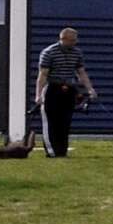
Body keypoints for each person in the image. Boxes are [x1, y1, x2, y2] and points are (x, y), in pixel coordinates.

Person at [36, 27, 96, 158]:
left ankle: (62, 151)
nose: (75, 42)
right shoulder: (49, 52)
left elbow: (81, 72)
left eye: (75, 40)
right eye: (72, 40)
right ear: (63, 39)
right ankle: (52, 152)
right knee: (51, 121)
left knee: (65, 122)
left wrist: (90, 89)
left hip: (69, 89)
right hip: (52, 88)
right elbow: (43, 75)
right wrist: (38, 95)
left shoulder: (77, 53)